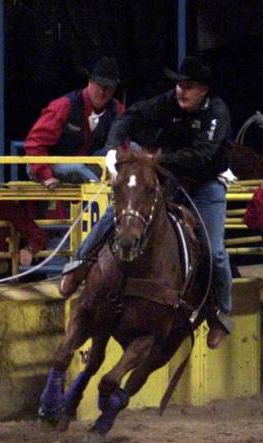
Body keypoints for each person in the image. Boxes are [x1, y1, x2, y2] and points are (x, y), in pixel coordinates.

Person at [58, 56, 234, 349]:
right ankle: (78, 266)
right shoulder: (167, 102)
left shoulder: (216, 113)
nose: (181, 91)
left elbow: (203, 155)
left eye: (188, 86)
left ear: (203, 90)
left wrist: (157, 160)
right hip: (168, 180)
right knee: (121, 214)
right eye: (179, 85)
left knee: (214, 251)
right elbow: (129, 118)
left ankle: (220, 313)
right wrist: (114, 147)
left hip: (205, 186)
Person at [25, 57, 125, 189]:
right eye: (99, 85)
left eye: (109, 88)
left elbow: (124, 144)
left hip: (89, 163)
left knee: (133, 149)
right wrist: (46, 175)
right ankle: (103, 197)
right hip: (48, 163)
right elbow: (35, 144)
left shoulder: (117, 110)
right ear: (90, 82)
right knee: (78, 169)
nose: (102, 92)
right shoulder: (64, 106)